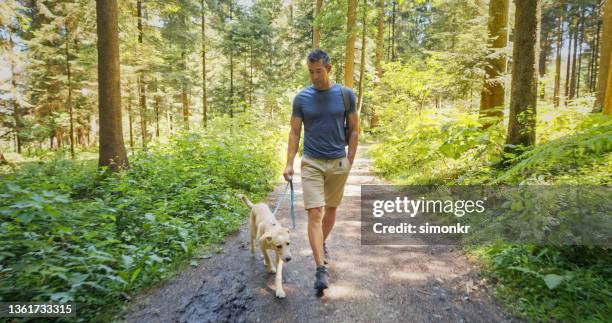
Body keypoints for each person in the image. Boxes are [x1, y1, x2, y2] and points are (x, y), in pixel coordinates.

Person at [283, 48, 359, 292]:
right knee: (315, 212)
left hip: (338, 162)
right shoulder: (302, 98)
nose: (314, 76)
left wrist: (350, 160)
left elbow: (355, 129)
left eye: (318, 71)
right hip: (312, 162)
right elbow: (295, 132)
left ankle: (321, 242)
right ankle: (320, 269)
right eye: (311, 72)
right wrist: (288, 163)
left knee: (331, 210)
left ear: (329, 68)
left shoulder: (346, 95)